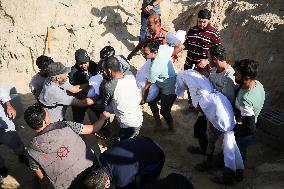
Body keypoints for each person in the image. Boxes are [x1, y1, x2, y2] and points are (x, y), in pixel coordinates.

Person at [24, 103, 110, 189]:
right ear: (45, 121)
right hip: (92, 172)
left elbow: (41, 178)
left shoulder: (31, 151)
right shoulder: (64, 125)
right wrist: (103, 118)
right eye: (47, 114)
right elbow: (93, 129)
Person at [213, 59, 265, 185]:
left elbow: (250, 127)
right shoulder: (257, 84)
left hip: (245, 134)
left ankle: (228, 179)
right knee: (240, 153)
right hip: (247, 127)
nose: (234, 75)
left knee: (233, 155)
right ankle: (238, 174)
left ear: (246, 77)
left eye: (237, 74)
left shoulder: (246, 100)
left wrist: (233, 128)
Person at [196, 45, 238, 171]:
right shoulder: (214, 70)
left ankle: (209, 163)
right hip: (209, 110)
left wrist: (207, 108)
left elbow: (227, 102)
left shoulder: (229, 77)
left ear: (215, 58)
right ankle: (205, 151)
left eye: (209, 58)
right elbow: (210, 84)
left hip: (219, 114)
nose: (207, 60)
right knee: (200, 130)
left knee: (211, 138)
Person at [83, 136, 165, 189]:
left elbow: (129, 186)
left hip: (157, 155)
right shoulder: (102, 157)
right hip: (144, 140)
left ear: (107, 183)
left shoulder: (122, 180)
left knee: (146, 184)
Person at [101, 56, 143, 140]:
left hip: (127, 124)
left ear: (109, 71)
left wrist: (104, 85)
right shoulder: (129, 74)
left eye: (105, 70)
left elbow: (106, 103)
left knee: (126, 144)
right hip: (138, 117)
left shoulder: (109, 86)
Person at [141, 41, 177, 131]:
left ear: (155, 52)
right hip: (163, 84)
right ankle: (158, 123)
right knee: (152, 101)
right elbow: (178, 47)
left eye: (146, 53)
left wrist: (143, 99)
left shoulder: (155, 68)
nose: (143, 54)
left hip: (170, 89)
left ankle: (171, 128)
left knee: (164, 111)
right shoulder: (162, 49)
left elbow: (147, 87)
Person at [0, 85, 28, 183]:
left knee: (15, 142)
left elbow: (1, 90)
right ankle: (1, 167)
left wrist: (8, 104)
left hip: (3, 125)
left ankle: (22, 155)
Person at [68, 49, 98, 124]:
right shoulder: (73, 73)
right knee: (78, 122)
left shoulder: (93, 65)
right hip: (80, 100)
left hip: (93, 97)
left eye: (85, 62)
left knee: (101, 113)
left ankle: (104, 127)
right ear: (76, 62)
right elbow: (72, 91)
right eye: (80, 63)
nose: (84, 65)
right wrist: (84, 100)